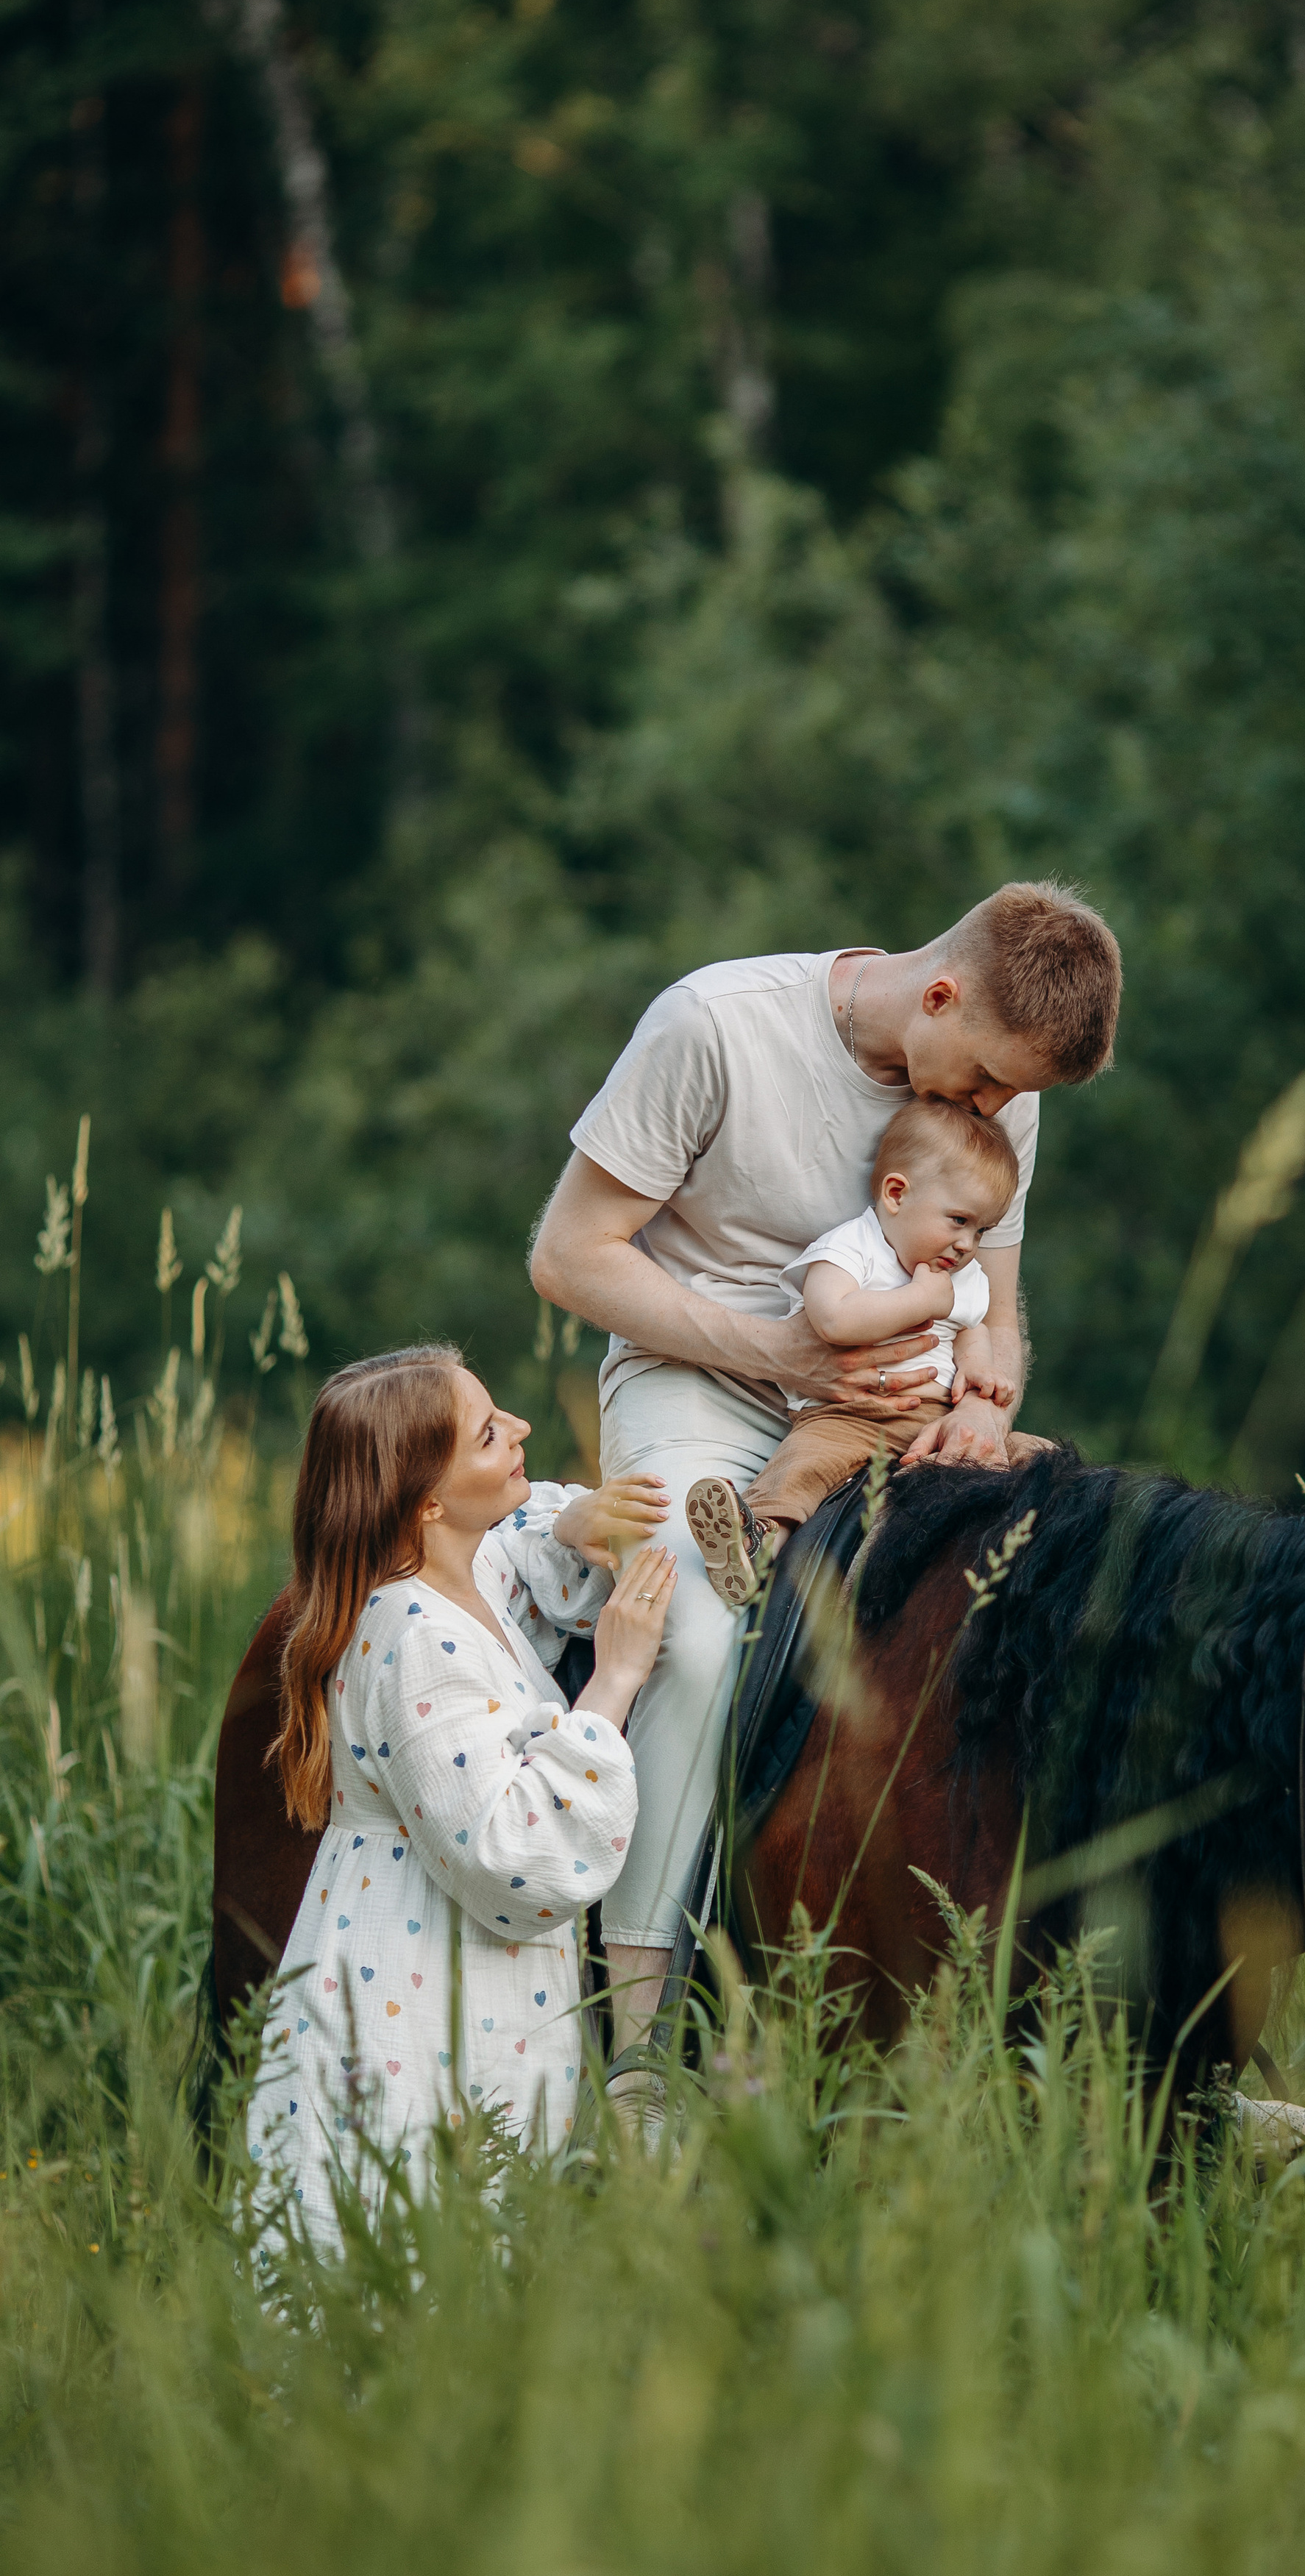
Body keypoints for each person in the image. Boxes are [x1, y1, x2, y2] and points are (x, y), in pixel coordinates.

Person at [527, 881, 1122, 2095]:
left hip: (898, 1417)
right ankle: (638, 2049)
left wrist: (980, 1403)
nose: (1000, 1115)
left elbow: (998, 1317)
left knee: (1088, 1589)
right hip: (703, 1385)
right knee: (695, 1637)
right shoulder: (717, 1025)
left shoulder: (996, 1094)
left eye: (1021, 1102)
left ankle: (1100, 2041)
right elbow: (566, 1256)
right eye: (992, 1083)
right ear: (941, 996)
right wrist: (784, 1357)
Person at [245, 1344, 677, 2250]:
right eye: (489, 1434)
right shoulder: (409, 1637)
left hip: (464, 1996)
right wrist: (614, 1682)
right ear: (429, 1502)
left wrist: (573, 1524)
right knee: (410, 2253)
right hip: (414, 2001)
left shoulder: (461, 1575)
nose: (521, 1430)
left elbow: (519, 1551)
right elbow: (510, 1859)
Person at [685, 1096, 1023, 1607]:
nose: (968, 1244)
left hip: (936, 1423)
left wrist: (978, 1374)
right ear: (896, 1194)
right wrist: (918, 1300)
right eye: (959, 1220)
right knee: (802, 1468)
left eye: (982, 1230)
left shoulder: (963, 1278)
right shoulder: (853, 1249)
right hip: (846, 1414)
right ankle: (756, 1543)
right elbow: (833, 1319)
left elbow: (972, 1327)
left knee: (1033, 1455)